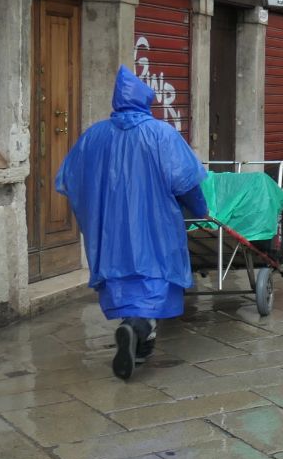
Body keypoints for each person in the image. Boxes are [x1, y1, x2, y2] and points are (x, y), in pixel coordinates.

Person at [56, 66, 208, 382]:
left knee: (124, 284)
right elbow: (186, 182)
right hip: (156, 228)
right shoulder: (162, 135)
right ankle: (139, 328)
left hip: (110, 233)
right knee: (154, 282)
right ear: (145, 101)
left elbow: (72, 181)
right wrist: (200, 209)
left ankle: (135, 338)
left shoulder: (93, 136)